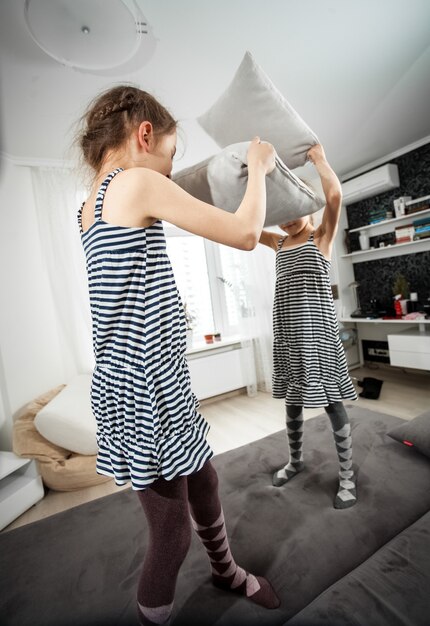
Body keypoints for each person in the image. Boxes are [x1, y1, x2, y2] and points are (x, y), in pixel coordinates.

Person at [76, 85, 280, 626]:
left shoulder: (91, 203)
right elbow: (240, 232)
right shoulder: (136, 182)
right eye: (170, 154)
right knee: (170, 536)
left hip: (137, 381)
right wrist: (257, 166)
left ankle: (227, 571)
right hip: (147, 390)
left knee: (205, 479)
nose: (169, 170)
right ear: (145, 135)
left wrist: (271, 239)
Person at [259, 144, 358, 510]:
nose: (286, 219)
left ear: (306, 204)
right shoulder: (277, 242)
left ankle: (347, 475)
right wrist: (253, 175)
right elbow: (242, 227)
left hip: (318, 338)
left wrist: (319, 160)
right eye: (280, 213)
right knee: (293, 402)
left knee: (332, 404)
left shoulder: (322, 238)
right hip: (288, 338)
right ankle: (296, 460)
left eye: (293, 210)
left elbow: (334, 194)